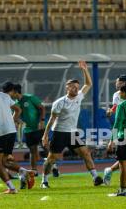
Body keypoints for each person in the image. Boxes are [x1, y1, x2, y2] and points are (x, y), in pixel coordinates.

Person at [41, 60, 103, 189]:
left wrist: (85, 69)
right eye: (73, 87)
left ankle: (95, 177)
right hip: (59, 132)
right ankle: (44, 180)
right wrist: (45, 136)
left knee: (85, 153)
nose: (76, 89)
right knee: (52, 158)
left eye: (77, 87)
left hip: (73, 132)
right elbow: (52, 120)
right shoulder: (59, 102)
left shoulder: (79, 96)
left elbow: (88, 84)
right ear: (67, 88)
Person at [3, 82, 50, 188]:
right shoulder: (15, 102)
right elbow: (15, 116)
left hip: (39, 127)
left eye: (10, 92)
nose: (8, 94)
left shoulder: (30, 98)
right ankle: (34, 170)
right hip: (28, 130)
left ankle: (53, 166)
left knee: (46, 147)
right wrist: (18, 121)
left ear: (15, 92)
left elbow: (42, 108)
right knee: (33, 150)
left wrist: (42, 120)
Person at [103, 75, 126, 187]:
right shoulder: (116, 94)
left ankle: (111, 171)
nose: (116, 84)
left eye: (118, 82)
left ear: (124, 83)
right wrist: (111, 110)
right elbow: (116, 106)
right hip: (122, 127)